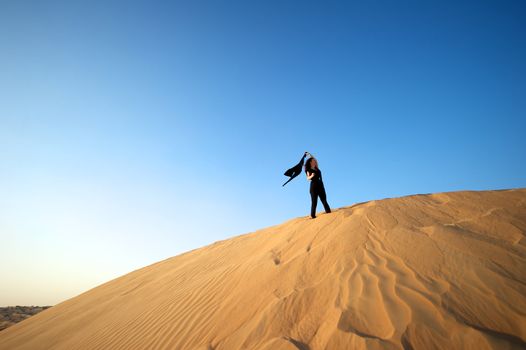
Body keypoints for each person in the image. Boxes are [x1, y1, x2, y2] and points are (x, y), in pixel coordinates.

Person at [305, 154, 331, 219]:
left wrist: (309, 154)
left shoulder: (317, 168)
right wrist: (312, 176)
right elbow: (307, 178)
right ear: (310, 162)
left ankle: (328, 212)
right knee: (314, 202)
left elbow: (315, 159)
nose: (315, 161)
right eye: (313, 161)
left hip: (320, 185)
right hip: (313, 186)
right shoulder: (308, 170)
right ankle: (312, 216)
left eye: (315, 161)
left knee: (324, 200)